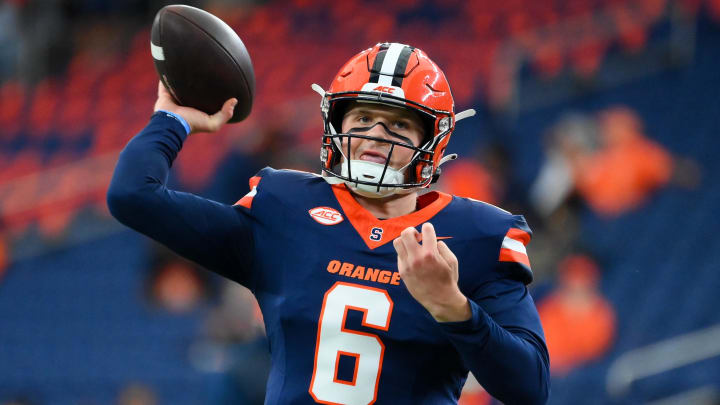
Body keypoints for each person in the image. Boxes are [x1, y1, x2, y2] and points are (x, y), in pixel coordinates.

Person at [107, 42, 549, 404]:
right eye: (361, 118)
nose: (376, 135)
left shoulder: (477, 234)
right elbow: (133, 196)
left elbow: (530, 388)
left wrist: (454, 307)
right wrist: (172, 120)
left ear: (430, 142)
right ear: (335, 125)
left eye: (398, 124)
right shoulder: (284, 206)